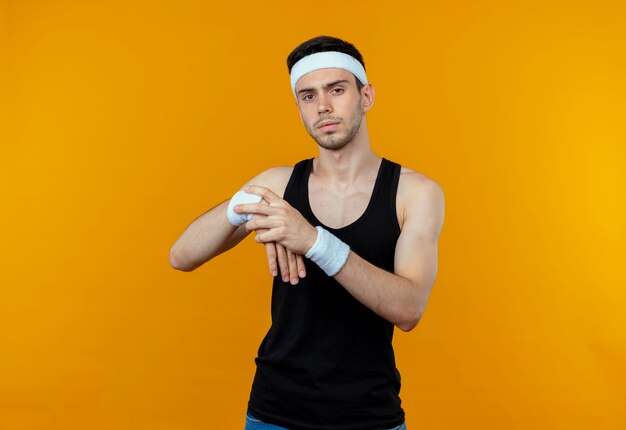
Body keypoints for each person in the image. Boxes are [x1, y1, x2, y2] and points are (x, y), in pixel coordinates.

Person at [170, 35, 445, 430]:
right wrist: (238, 207)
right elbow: (181, 256)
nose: (324, 107)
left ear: (366, 96)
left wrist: (315, 241)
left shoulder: (414, 193)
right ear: (298, 107)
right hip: (274, 411)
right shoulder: (277, 186)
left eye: (337, 90)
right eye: (308, 96)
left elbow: (408, 309)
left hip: (368, 415)